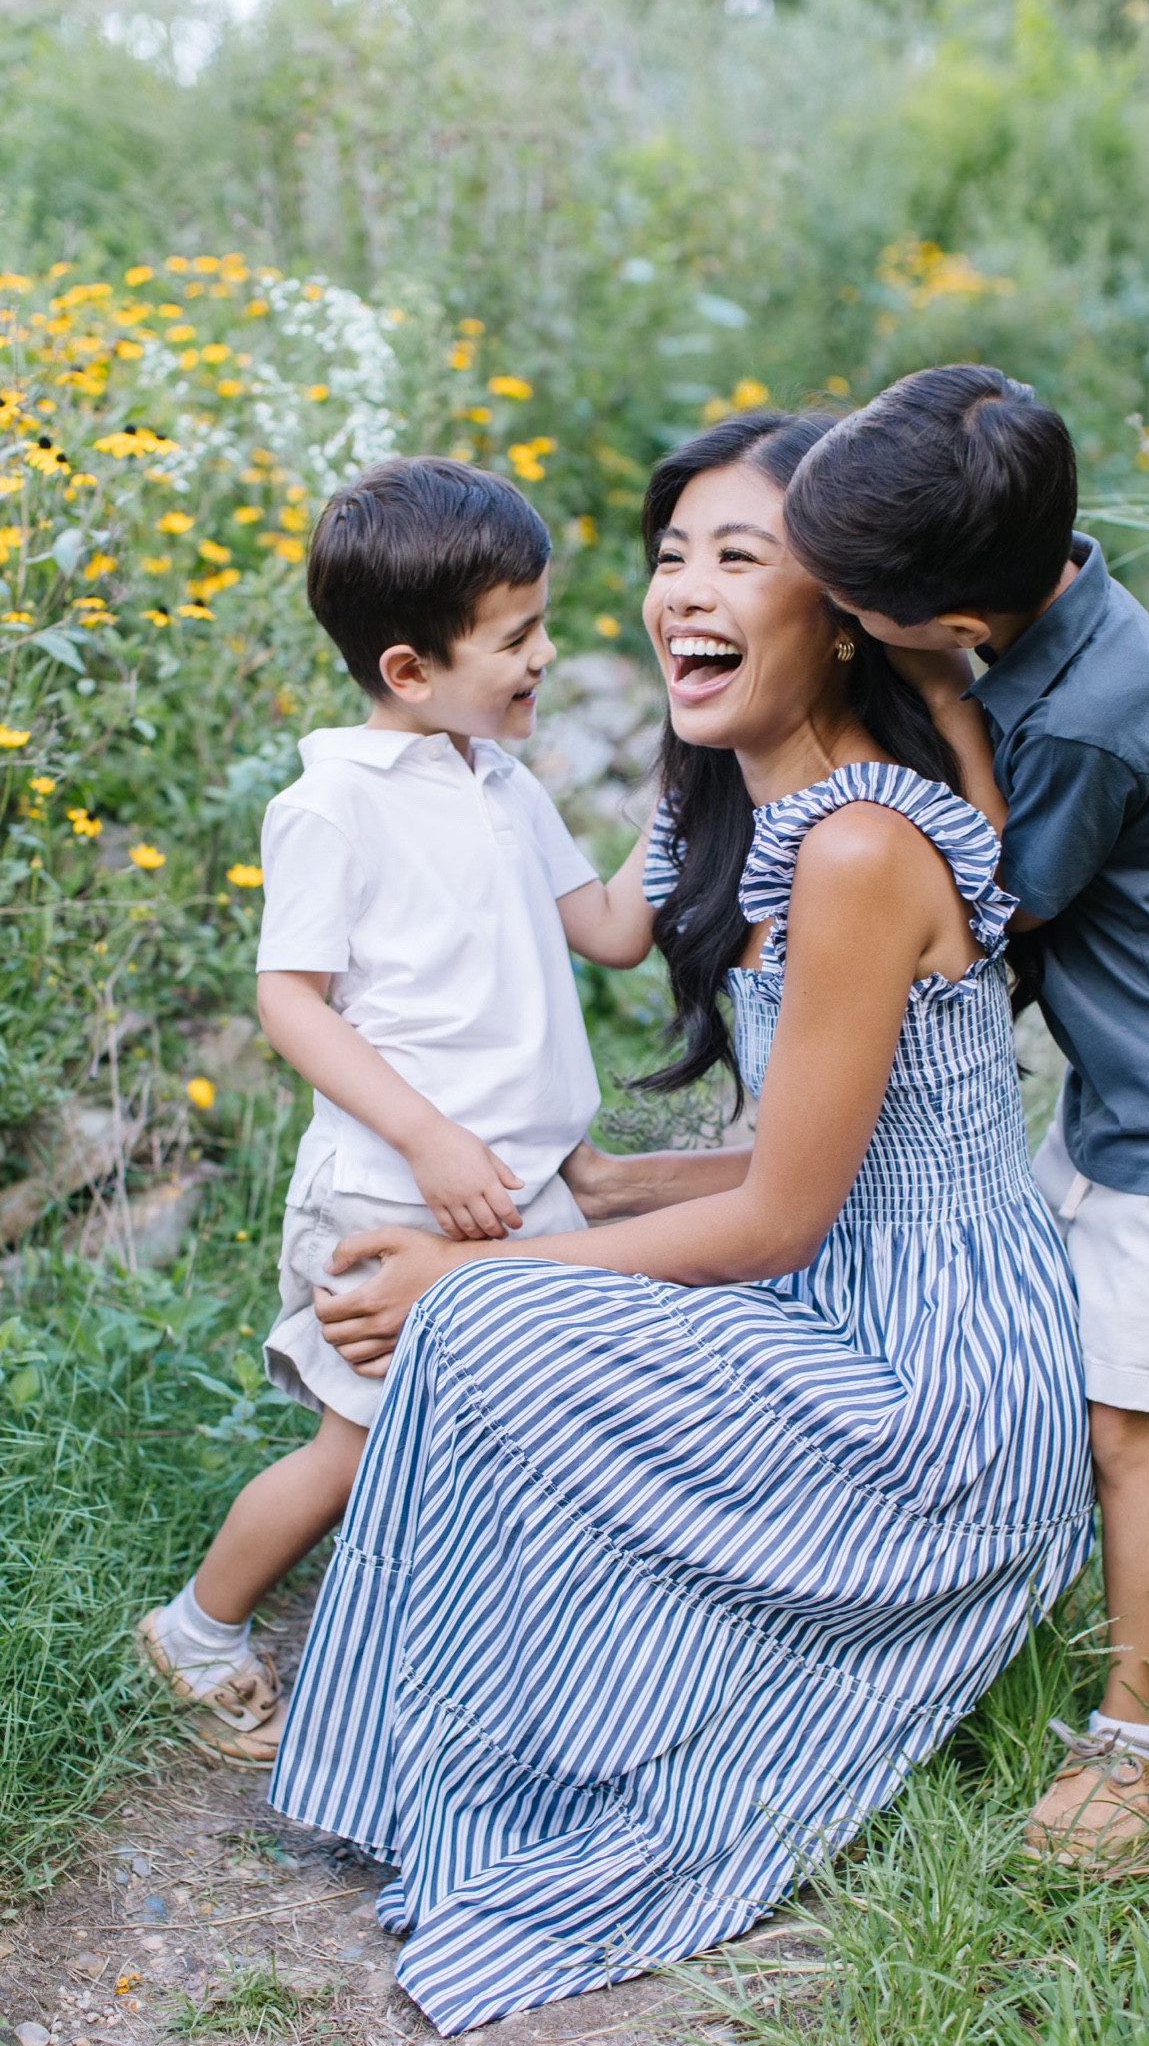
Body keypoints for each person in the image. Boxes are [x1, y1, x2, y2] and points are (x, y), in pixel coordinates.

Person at [268, 411, 1095, 2037]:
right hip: (883, 1286)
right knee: (521, 1288)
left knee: (496, 1327)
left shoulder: (854, 844)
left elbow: (784, 1220)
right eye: (669, 556)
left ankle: (541, 1753)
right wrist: (602, 1191)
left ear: (844, 602)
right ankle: (513, 1720)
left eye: (742, 556)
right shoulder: (813, 815)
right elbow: (833, 1153)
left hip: (928, 1382)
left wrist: (471, 1265)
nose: (683, 593)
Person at [783, 365, 1149, 1865]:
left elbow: (995, 912)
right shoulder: (1052, 615)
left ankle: (1130, 1740)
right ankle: (987, 1629)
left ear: (951, 628)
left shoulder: (1087, 720)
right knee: (1041, 1372)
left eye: (850, 599)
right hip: (1132, 1086)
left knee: (1121, 1425)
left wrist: (948, 748)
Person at [137, 456, 654, 1765]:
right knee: (358, 1447)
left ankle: (489, 1670)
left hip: (515, 1189)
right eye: (519, 635)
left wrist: (697, 788)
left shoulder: (501, 782)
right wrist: (427, 1135)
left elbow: (608, 933)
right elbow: (291, 1002)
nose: (545, 654)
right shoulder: (332, 805)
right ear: (410, 669)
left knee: (517, 1427)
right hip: (393, 1186)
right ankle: (200, 1627)